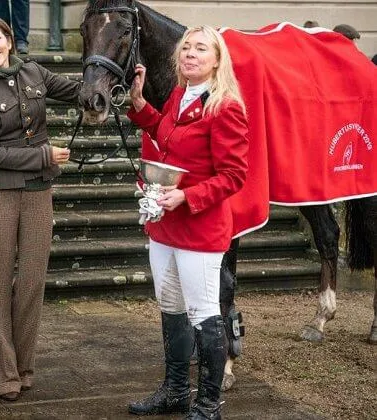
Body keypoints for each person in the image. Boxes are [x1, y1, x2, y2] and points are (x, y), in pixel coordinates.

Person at [126, 25, 249, 420]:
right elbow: (165, 134)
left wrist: (187, 196)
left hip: (199, 227)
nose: (189, 54)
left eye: (200, 49)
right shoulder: (180, 95)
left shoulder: (226, 106)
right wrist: (140, 102)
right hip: (166, 225)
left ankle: (209, 404)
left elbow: (233, 175)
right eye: (185, 48)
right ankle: (176, 391)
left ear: (217, 60)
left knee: (203, 312)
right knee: (171, 306)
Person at [0, 15, 80, 401]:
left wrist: (112, 78)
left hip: (38, 192)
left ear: (10, 39)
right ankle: (2, 376)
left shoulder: (33, 71)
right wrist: (45, 155)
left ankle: (24, 368)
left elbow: (79, 91)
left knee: (31, 282)